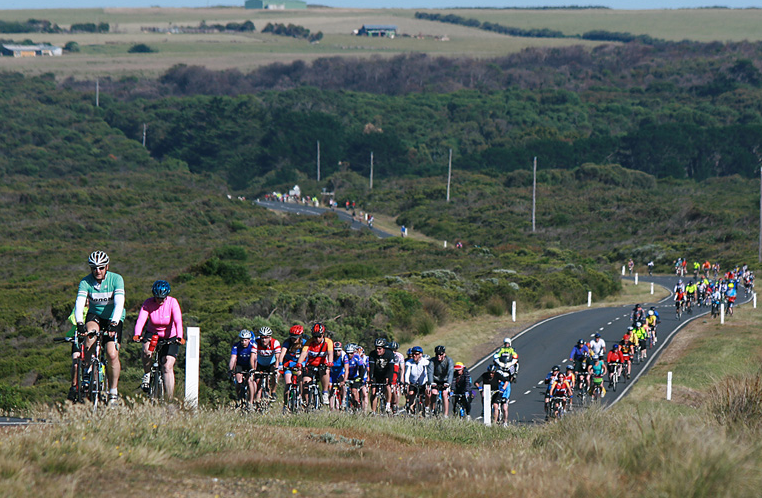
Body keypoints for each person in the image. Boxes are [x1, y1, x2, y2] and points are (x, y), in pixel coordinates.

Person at [74, 251, 125, 406]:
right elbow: (79, 303)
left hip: (113, 317)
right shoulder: (85, 282)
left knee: (112, 354)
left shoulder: (116, 279)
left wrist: (114, 323)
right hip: (95, 315)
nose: (98, 271)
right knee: (90, 335)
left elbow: (119, 303)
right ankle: (88, 372)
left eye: (101, 268)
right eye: (94, 268)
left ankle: (113, 392)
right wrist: (79, 323)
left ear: (107, 267)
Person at [133, 280, 184, 400]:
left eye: (162, 298)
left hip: (170, 336)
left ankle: (169, 398)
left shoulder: (172, 302)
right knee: (147, 351)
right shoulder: (148, 303)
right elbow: (141, 319)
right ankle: (147, 374)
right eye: (158, 298)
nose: (160, 301)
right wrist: (137, 334)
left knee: (167, 366)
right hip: (153, 334)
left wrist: (179, 336)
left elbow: (178, 320)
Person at [297, 323, 334, 405]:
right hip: (310, 365)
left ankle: (325, 393)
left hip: (322, 365)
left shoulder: (328, 342)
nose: (317, 339)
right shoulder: (309, 342)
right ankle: (308, 404)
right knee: (305, 384)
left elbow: (330, 353)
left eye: (319, 336)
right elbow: (303, 353)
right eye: (315, 336)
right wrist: (299, 363)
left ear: (323, 334)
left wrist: (330, 362)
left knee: (326, 371)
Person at [278, 325, 308, 406]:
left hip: (300, 364)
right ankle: (285, 404)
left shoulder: (304, 343)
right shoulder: (287, 342)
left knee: (300, 375)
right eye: (292, 337)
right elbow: (282, 354)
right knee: (288, 384)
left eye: (296, 338)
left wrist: (302, 365)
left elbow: (305, 354)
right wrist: (280, 364)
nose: (293, 339)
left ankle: (300, 396)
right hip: (289, 364)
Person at [251, 326, 281, 401]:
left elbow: (278, 357)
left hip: (271, 364)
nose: (264, 340)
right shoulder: (256, 342)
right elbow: (252, 357)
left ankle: (273, 392)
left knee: (277, 374)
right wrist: (253, 368)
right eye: (262, 338)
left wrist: (276, 368)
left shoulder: (275, 343)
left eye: (266, 337)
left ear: (270, 337)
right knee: (258, 383)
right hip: (260, 364)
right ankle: (257, 401)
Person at [229, 329, 256, 407]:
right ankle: (239, 399)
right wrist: (230, 369)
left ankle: (251, 402)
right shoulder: (236, 346)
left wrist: (254, 368)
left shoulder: (253, 345)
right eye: (242, 340)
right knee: (239, 381)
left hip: (249, 365)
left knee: (250, 381)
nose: (243, 342)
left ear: (249, 340)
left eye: (245, 340)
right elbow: (233, 358)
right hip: (240, 365)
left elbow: (255, 358)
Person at [367, 338, 395, 413]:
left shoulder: (389, 354)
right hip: (376, 374)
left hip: (386, 373)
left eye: (379, 349)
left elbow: (391, 368)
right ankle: (373, 411)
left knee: (388, 387)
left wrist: (389, 378)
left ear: (384, 348)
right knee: (373, 392)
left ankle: (388, 405)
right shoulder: (372, 354)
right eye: (376, 348)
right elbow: (371, 368)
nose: (377, 350)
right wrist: (371, 378)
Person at [403, 345, 430, 414]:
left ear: (421, 355)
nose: (414, 356)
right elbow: (407, 373)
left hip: (423, 382)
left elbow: (426, 373)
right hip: (413, 382)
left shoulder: (425, 362)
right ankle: (411, 410)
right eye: (413, 354)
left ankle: (427, 408)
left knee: (427, 393)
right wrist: (406, 382)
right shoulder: (409, 362)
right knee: (411, 394)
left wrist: (427, 382)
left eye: (416, 354)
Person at [430, 345, 454, 417]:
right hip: (435, 380)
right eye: (437, 354)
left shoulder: (449, 360)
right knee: (433, 393)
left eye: (441, 354)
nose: (439, 356)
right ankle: (433, 410)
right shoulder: (432, 361)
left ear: (444, 354)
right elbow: (430, 372)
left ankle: (445, 414)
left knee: (444, 393)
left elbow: (450, 372)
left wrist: (448, 383)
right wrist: (431, 382)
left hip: (445, 380)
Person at [344, 344, 366, 410]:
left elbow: (361, 368)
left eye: (351, 353)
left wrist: (360, 378)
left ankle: (356, 405)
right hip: (347, 376)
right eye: (348, 353)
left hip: (355, 377)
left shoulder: (357, 357)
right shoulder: (345, 357)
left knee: (354, 391)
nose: (349, 355)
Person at [328, 341, 349, 410]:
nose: (337, 352)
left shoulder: (344, 355)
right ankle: (331, 408)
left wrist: (344, 381)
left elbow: (346, 369)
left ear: (341, 350)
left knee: (343, 385)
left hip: (340, 373)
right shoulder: (330, 355)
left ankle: (343, 400)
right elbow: (327, 368)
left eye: (339, 350)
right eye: (335, 350)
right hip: (332, 374)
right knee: (330, 389)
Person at [388, 341, 405, 413]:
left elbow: (402, 369)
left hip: (396, 373)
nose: (393, 352)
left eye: (394, 350)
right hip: (389, 372)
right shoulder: (388, 355)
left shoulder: (400, 356)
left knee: (395, 389)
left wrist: (402, 378)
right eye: (391, 350)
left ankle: (396, 405)